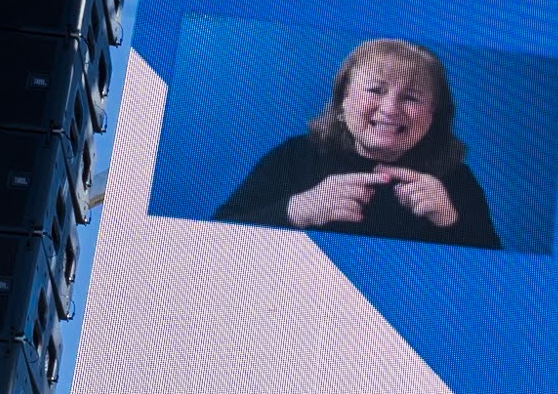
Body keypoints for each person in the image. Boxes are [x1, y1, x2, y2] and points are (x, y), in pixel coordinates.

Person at [215, 37, 502, 249]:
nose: (390, 109)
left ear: (433, 116)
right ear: (343, 101)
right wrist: (296, 210)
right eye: (376, 90)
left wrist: (449, 222)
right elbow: (212, 242)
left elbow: (496, 283)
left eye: (411, 98)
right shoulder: (295, 156)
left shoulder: (456, 179)